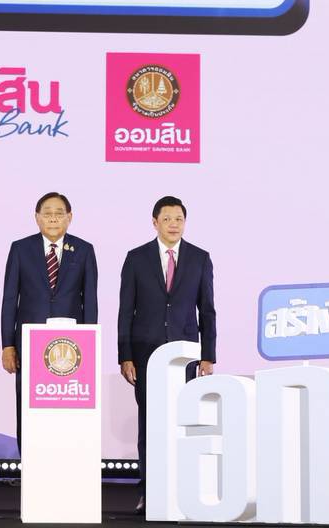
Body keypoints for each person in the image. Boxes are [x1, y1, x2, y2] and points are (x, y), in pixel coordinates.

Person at [117, 195, 216, 511]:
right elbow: (125, 310)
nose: (174, 224)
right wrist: (125, 355)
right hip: (145, 355)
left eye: (179, 219)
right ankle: (149, 490)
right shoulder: (136, 258)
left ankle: (183, 489)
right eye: (167, 219)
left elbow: (207, 311)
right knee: (150, 423)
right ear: (155, 222)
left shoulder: (200, 258)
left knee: (183, 423)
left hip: (186, 357)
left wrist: (208, 355)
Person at [0, 192, 98, 450]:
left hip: (72, 348)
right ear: (37, 217)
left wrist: (89, 346)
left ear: (69, 217)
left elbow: (90, 302)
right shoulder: (20, 249)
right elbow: (10, 300)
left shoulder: (84, 250)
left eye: (59, 213)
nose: (53, 218)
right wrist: (8, 345)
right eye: (47, 213)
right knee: (28, 404)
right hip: (29, 345)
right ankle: (28, 459)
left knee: (68, 407)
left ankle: (67, 458)